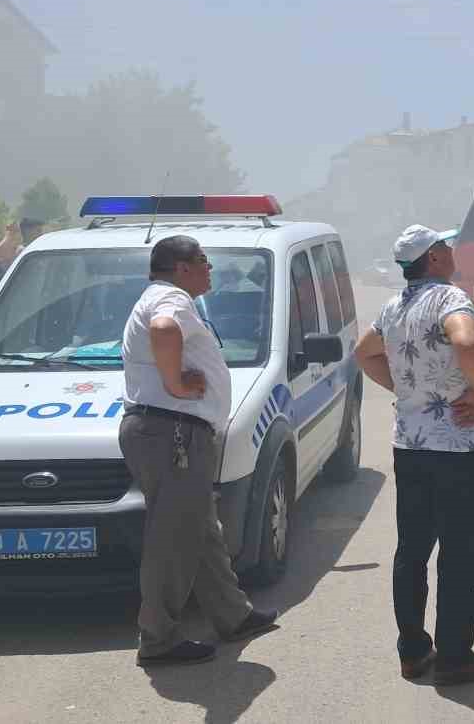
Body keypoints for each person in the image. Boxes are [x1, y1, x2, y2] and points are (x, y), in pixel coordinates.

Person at [354, 225, 474, 686]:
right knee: (461, 553)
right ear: (434, 258)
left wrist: (404, 390)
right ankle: (456, 657)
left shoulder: (393, 305)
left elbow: (365, 353)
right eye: (445, 246)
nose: (451, 250)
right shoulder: (448, 299)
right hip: (456, 449)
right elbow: (465, 341)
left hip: (411, 447)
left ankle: (413, 651)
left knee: (413, 549)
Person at [118, 235, 277, 667]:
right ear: (181, 267)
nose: (210, 270)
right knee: (174, 539)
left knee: (201, 530)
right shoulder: (171, 300)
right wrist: (176, 384)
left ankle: (233, 615)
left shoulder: (161, 295)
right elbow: (164, 330)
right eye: (204, 262)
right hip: (174, 436)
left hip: (172, 434)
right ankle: (158, 639)